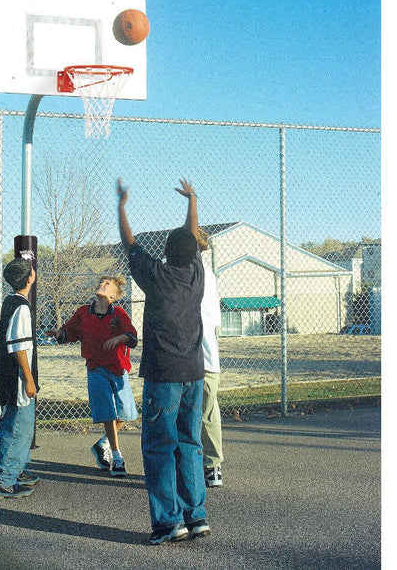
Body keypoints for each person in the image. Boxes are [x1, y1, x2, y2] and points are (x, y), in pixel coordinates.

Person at [117, 177, 211, 545]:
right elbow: (191, 235)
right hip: (194, 372)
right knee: (190, 443)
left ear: (167, 253)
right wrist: (192, 199)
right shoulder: (196, 275)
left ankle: (169, 522)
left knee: (159, 445)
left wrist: (122, 207)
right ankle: (196, 515)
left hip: (164, 375)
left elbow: (130, 244)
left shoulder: (156, 276)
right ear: (193, 255)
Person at [46, 275, 138, 477]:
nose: (101, 285)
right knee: (107, 412)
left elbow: (132, 335)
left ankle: (103, 443)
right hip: (96, 368)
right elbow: (69, 332)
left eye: (107, 285)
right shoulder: (83, 312)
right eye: (100, 283)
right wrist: (59, 334)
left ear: (113, 295)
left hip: (118, 368)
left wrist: (119, 338)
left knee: (126, 413)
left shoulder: (119, 313)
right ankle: (117, 456)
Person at [0, 257, 40, 499]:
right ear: (30, 278)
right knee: (17, 428)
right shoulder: (21, 307)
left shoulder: (10, 301)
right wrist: (29, 380)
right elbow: (19, 347)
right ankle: (4, 481)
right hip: (18, 378)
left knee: (20, 426)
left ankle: (17, 469)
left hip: (8, 374)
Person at [196, 227, 224, 487]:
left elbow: (211, 320)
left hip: (204, 357)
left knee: (207, 410)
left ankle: (212, 464)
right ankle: (197, 464)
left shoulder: (204, 274)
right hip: (182, 356)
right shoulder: (177, 271)